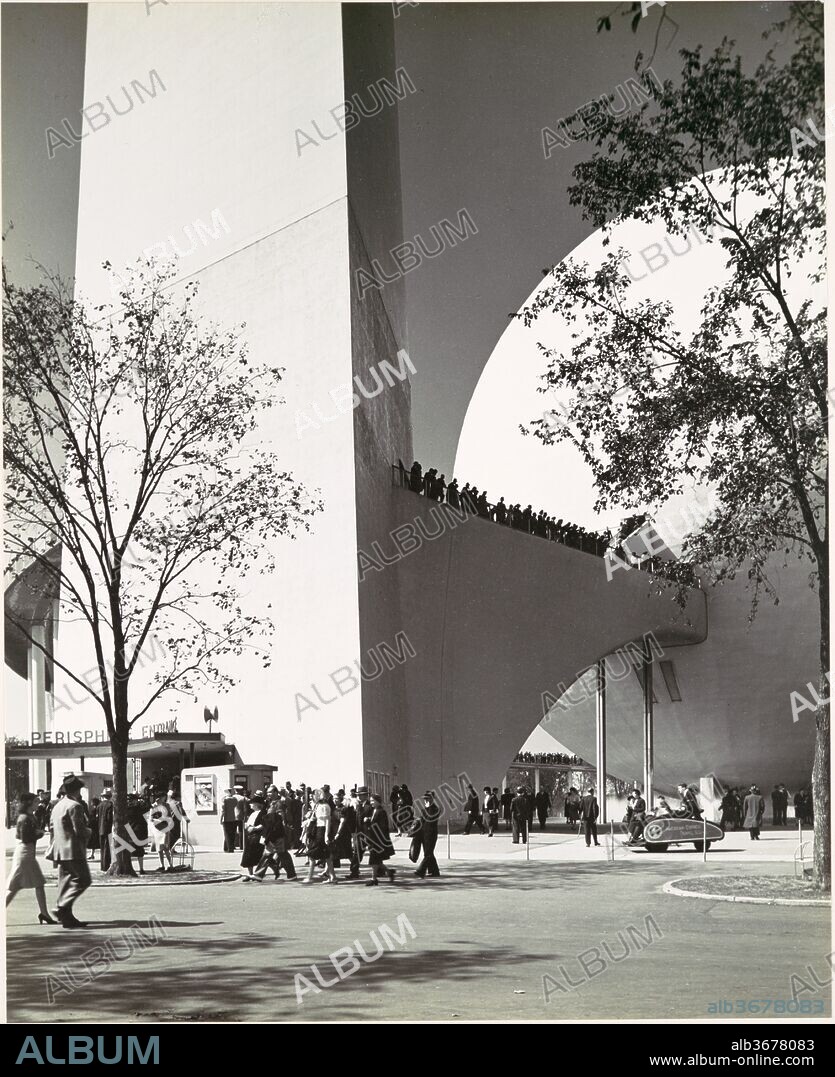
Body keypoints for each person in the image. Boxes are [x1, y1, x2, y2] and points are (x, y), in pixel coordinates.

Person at [44, 775, 91, 928]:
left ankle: (66, 916)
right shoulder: (75, 806)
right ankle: (62, 907)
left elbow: (51, 828)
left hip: (60, 850)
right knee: (83, 880)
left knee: (64, 883)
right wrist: (89, 831)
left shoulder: (57, 805)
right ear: (76, 790)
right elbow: (80, 830)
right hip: (73, 850)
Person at [6, 792, 55, 924]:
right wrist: (39, 834)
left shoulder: (29, 816)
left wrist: (37, 833)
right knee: (14, 887)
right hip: (24, 854)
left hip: (28, 854)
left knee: (38, 883)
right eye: (35, 801)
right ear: (28, 803)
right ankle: (44, 914)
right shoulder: (24, 818)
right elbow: (25, 838)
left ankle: (44, 914)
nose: (37, 804)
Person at [302, 788, 337, 884]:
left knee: (313, 855)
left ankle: (310, 877)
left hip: (321, 831)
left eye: (314, 795)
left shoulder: (324, 806)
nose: (312, 797)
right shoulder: (318, 806)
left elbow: (327, 820)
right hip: (318, 830)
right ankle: (332, 877)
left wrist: (326, 835)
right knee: (327, 855)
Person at [365, 793, 396, 886]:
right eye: (370, 801)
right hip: (373, 838)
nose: (371, 803)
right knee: (377, 860)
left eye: (373, 801)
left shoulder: (381, 812)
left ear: (378, 801)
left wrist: (369, 823)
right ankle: (389, 872)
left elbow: (382, 827)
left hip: (378, 840)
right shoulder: (374, 810)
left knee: (374, 860)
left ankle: (374, 879)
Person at [240, 792, 268, 880]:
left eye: (252, 803)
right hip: (250, 836)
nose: (250, 804)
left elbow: (264, 824)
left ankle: (257, 873)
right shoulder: (252, 814)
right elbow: (248, 823)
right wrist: (247, 826)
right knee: (248, 855)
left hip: (258, 836)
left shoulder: (263, 813)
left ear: (257, 804)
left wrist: (255, 828)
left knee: (257, 856)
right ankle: (250, 874)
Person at [414, 790, 441, 878]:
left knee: (428, 853)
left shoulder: (435, 809)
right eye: (425, 799)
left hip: (431, 834)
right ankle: (434, 871)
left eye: (428, 799)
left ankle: (421, 870)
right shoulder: (425, 809)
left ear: (432, 799)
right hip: (423, 834)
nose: (426, 801)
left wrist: (427, 808)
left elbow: (430, 819)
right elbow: (422, 820)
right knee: (428, 853)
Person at [150, 793, 174, 872]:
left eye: (160, 798)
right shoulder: (153, 806)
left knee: (166, 847)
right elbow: (151, 818)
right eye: (157, 798)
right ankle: (162, 865)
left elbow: (169, 817)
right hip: (157, 829)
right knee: (159, 849)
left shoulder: (166, 805)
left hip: (165, 828)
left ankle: (171, 865)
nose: (159, 800)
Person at [126, 793, 150, 875]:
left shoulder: (126, 809)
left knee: (129, 851)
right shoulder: (139, 808)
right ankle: (141, 869)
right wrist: (144, 799)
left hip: (129, 831)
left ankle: (130, 868)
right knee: (140, 851)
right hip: (138, 831)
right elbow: (148, 807)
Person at [98, 788, 114, 871]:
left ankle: (102, 866)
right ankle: (106, 865)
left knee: (102, 848)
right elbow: (109, 817)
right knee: (107, 848)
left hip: (100, 828)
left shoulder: (99, 805)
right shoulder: (110, 805)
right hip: (108, 828)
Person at [220, 788, 238, 852]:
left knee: (227, 834)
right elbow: (235, 805)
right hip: (233, 818)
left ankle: (229, 848)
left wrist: (221, 819)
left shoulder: (224, 800)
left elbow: (223, 810)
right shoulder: (234, 799)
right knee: (232, 834)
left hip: (226, 818)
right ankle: (228, 847)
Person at [87, 797, 101, 862]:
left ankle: (92, 854)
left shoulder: (94, 810)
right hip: (98, 827)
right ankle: (92, 854)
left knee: (93, 842)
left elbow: (91, 819)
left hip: (94, 828)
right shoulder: (99, 809)